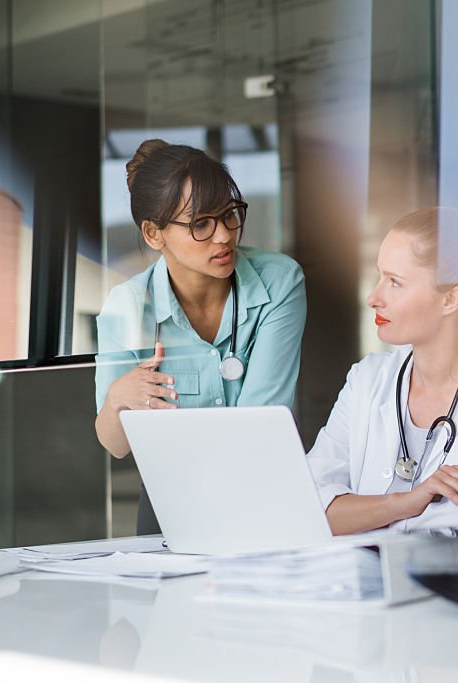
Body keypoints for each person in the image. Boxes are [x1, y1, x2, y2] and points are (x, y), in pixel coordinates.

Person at [94, 139, 306, 533]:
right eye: (201, 224)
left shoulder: (279, 282)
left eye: (228, 215)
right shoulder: (126, 306)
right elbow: (115, 444)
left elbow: (259, 422)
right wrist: (118, 399)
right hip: (169, 504)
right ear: (154, 234)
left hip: (258, 494)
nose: (224, 236)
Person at [306, 208, 458, 534]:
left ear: (450, 300)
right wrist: (406, 501)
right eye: (379, 276)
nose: (373, 297)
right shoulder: (367, 378)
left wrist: (357, 513)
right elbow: (308, 505)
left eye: (395, 282)